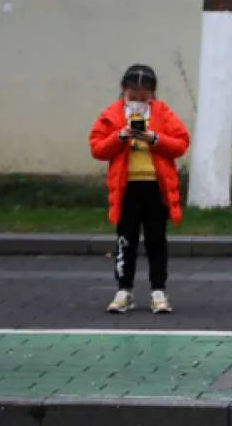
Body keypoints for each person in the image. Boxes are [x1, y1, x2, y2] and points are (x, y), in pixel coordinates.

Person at [88, 64, 190, 315]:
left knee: (156, 240)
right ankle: (124, 290)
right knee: (126, 240)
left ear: (152, 94)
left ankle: (158, 291)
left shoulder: (163, 113)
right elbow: (97, 147)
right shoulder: (111, 115)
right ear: (123, 91)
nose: (138, 102)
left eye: (144, 97)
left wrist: (154, 138)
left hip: (156, 187)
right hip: (126, 188)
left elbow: (180, 143)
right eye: (132, 96)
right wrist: (118, 138)